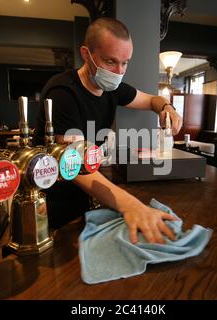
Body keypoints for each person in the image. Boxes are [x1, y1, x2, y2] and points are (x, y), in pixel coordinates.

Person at [34, 17, 183, 244]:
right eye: (110, 61)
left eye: (125, 62)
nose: (119, 71)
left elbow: (152, 100)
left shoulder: (112, 88)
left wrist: (167, 107)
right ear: (86, 54)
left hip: (88, 194)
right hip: (54, 197)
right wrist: (132, 206)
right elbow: (73, 164)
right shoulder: (63, 93)